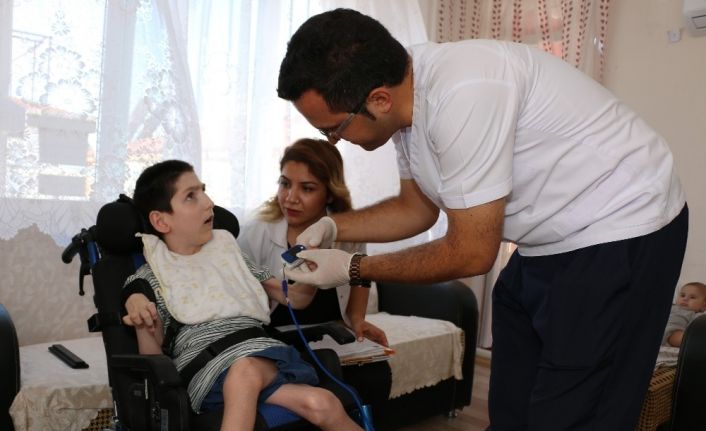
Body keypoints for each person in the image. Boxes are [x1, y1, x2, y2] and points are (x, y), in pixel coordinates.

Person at [276, 8, 689, 431]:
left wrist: (353, 268)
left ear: (378, 100)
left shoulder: (464, 93)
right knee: (513, 403)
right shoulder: (403, 93)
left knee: (576, 411)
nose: (334, 140)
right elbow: (416, 209)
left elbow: (471, 254)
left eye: (333, 128)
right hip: (548, 240)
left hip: (623, 226)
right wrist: (334, 227)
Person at [121, 159, 363, 431]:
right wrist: (143, 322)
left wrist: (311, 271)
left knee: (323, 403)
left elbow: (295, 299)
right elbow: (153, 360)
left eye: (203, 191)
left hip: (263, 354)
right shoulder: (150, 278)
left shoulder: (231, 255)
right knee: (245, 373)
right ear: (161, 220)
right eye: (191, 196)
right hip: (208, 371)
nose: (209, 203)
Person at [237, 137, 391, 409]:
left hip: (331, 334)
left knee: (375, 375)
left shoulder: (348, 230)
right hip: (275, 336)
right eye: (285, 183)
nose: (290, 198)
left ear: (330, 193)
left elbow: (361, 272)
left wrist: (357, 319)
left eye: (307, 188)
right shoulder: (257, 231)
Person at [663, 282, 706, 347]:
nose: (685, 299)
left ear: (704, 306)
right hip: (658, 329)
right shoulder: (672, 307)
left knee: (692, 338)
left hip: (673, 333)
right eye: (682, 295)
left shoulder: (697, 316)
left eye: (692, 297)